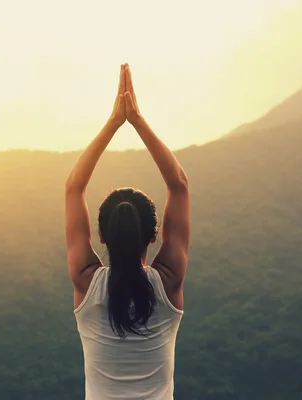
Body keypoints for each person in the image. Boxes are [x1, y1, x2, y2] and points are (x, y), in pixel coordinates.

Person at [64, 63, 190, 400]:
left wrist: (115, 122)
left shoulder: (86, 281)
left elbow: (74, 188)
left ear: (101, 237)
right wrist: (136, 120)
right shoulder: (168, 281)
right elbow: (178, 185)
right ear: (153, 236)